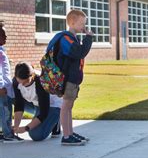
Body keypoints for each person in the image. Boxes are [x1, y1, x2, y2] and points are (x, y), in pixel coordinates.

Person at [48, 9, 93, 146]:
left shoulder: (73, 38)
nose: (84, 26)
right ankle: (66, 136)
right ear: (72, 22)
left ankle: (70, 132)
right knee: (66, 106)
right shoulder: (66, 39)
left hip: (73, 79)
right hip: (67, 79)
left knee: (69, 106)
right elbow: (79, 53)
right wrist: (89, 38)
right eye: (81, 23)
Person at [12, 62, 64, 141]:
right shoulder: (16, 81)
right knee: (11, 98)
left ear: (32, 76)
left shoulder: (41, 81)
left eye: (26, 82)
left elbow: (43, 113)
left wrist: (25, 128)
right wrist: (16, 127)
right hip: (37, 104)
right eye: (20, 82)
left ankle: (55, 120)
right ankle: (49, 121)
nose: (22, 85)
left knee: (36, 135)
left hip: (52, 105)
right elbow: (19, 104)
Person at [0, 21, 23, 143]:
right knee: (6, 112)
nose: (6, 37)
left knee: (3, 112)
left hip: (6, 88)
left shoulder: (1, 50)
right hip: (2, 89)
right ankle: (8, 135)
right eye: (3, 34)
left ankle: (5, 133)